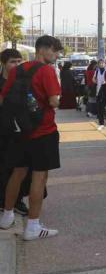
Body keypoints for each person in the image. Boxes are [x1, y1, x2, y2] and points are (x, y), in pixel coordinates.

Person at [0, 35, 64, 240]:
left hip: (20, 132)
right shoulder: (47, 71)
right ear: (43, 49)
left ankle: (6, 216)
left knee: (17, 173)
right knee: (39, 176)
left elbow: (4, 98)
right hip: (43, 132)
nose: (56, 55)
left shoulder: (17, 70)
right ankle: (33, 227)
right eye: (54, 51)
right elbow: (54, 102)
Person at [0, 48, 27, 217]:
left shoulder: (24, 82)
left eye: (19, 61)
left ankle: (16, 201)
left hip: (19, 132)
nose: (16, 65)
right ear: (3, 64)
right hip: (2, 131)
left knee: (19, 169)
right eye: (12, 62)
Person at [93, 60, 106, 129]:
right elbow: (93, 79)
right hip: (98, 91)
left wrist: (105, 82)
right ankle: (101, 123)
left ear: (105, 64)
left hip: (105, 92)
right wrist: (95, 80)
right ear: (98, 64)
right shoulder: (97, 71)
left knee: (103, 107)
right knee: (99, 108)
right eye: (100, 63)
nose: (101, 64)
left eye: (102, 63)